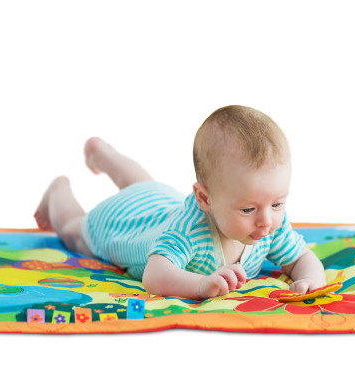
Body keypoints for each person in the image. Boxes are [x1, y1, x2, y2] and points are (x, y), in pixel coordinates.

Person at [34, 105, 326, 299]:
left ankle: (102, 154)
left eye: (277, 203)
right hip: (123, 221)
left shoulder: (268, 224)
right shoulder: (189, 232)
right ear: (204, 199)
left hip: (159, 199)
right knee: (74, 231)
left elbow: (300, 257)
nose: (266, 220)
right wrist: (201, 284)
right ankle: (58, 191)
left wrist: (311, 279)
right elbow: (155, 274)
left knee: (145, 186)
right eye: (248, 209)